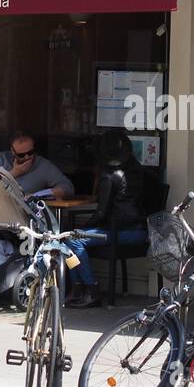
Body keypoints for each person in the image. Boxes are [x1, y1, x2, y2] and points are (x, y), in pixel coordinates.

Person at [64, 130, 148, 308]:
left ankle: (89, 288)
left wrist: (81, 228)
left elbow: (101, 213)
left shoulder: (110, 176)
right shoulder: (137, 168)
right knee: (72, 241)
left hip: (120, 230)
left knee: (71, 241)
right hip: (139, 229)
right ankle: (79, 288)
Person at [0, 131, 73, 199]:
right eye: (21, 155)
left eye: (30, 153)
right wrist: (13, 173)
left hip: (30, 212)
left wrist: (40, 195)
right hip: (3, 208)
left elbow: (67, 187)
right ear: (12, 151)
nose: (27, 157)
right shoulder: (3, 159)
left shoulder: (43, 165)